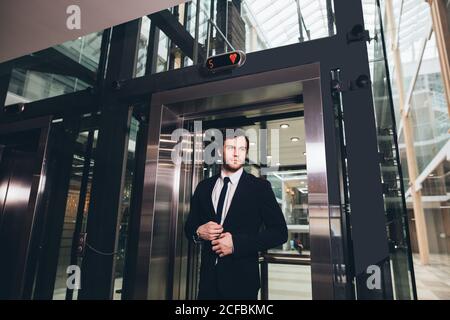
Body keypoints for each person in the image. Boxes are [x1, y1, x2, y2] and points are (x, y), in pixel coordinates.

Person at [184, 129, 288, 300]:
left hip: (242, 285)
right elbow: (189, 228)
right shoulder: (204, 187)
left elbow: (280, 233)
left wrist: (236, 244)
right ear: (219, 151)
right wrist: (198, 231)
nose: (236, 154)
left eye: (241, 149)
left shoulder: (260, 188)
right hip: (207, 284)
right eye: (231, 147)